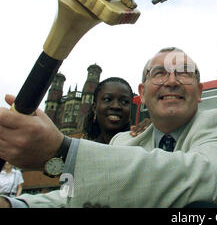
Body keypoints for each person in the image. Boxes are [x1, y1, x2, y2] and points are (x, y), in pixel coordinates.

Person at [0, 47, 217, 208]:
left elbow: (204, 182)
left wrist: (62, 150)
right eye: (159, 74)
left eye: (184, 74)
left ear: (199, 93)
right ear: (142, 94)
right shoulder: (123, 143)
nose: (172, 81)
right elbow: (75, 199)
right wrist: (15, 204)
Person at [1, 77, 135, 207]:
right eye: (107, 99)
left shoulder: (139, 146)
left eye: (124, 102)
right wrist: (13, 204)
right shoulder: (82, 144)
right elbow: (67, 196)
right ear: (94, 107)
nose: (116, 106)